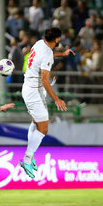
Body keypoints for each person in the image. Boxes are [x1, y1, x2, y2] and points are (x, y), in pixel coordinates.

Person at [20, 27, 74, 178]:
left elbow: (46, 56)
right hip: (34, 91)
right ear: (56, 39)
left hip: (29, 86)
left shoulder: (39, 43)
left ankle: (29, 157)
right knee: (43, 129)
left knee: (37, 123)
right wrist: (56, 99)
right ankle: (27, 159)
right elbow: (44, 79)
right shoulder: (48, 54)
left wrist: (62, 54)